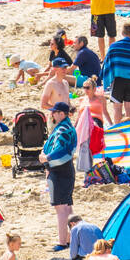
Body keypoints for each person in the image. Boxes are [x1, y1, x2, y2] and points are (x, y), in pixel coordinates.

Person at [40, 102, 77, 249]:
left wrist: (46, 157)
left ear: (61, 113)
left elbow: (60, 150)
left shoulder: (62, 129)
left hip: (59, 171)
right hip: (66, 169)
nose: (52, 114)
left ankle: (62, 242)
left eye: (54, 112)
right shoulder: (68, 127)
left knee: (61, 208)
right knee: (67, 207)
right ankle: (71, 238)